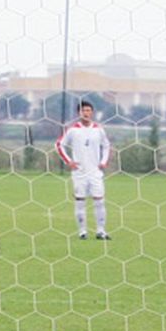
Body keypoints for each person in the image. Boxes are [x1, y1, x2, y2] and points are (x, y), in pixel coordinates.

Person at [54, 100, 112, 240]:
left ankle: (100, 231)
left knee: (99, 201)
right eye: (83, 111)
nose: (86, 113)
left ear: (92, 113)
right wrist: (69, 161)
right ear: (78, 113)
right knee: (80, 201)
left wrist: (103, 162)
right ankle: (82, 232)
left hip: (95, 172)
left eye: (88, 110)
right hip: (79, 172)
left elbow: (106, 145)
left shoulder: (98, 129)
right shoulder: (73, 130)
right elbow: (59, 145)